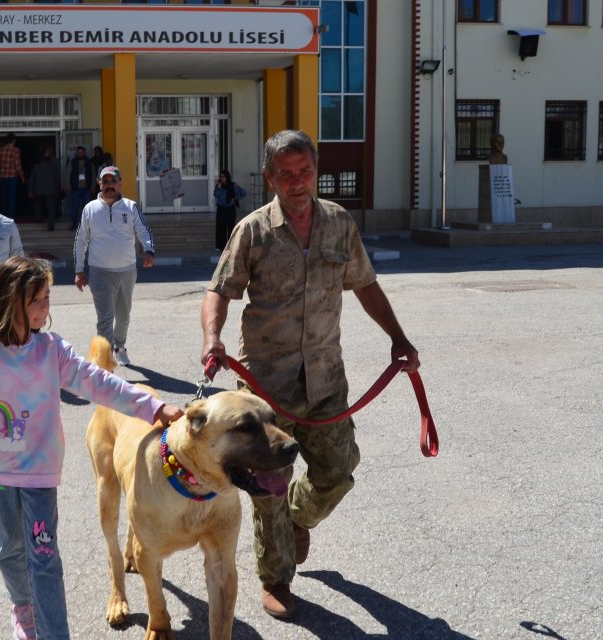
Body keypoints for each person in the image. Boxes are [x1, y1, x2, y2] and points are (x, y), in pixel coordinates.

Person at [199, 129, 420, 620]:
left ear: (315, 171)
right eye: (286, 175)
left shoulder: (339, 223)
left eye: (305, 172)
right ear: (269, 177)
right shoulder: (253, 231)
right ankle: (275, 578)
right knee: (268, 487)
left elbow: (365, 285)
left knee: (337, 473)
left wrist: (399, 338)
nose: (297, 182)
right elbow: (219, 289)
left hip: (324, 378)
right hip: (265, 385)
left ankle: (298, 518)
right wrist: (212, 338)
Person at [0, 255, 183, 640]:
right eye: (36, 300)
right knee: (11, 550)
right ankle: (23, 607)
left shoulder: (50, 349)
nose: (45, 307)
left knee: (43, 557)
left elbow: (98, 382)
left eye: (47, 298)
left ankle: (55, 633)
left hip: (39, 475)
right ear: (11, 300)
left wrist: (152, 406)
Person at [72, 166, 155, 367]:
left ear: (120, 184)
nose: (110, 185)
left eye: (113, 181)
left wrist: (149, 250)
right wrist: (79, 270)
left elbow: (143, 230)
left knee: (123, 316)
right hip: (99, 271)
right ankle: (104, 360)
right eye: (105, 181)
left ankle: (120, 347)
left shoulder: (130, 207)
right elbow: (81, 240)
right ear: (99, 184)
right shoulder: (90, 209)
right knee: (105, 318)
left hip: (127, 270)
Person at [212, 170, 247, 251]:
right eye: (220, 177)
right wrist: (219, 188)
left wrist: (235, 199)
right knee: (220, 227)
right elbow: (216, 195)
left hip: (230, 208)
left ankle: (231, 245)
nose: (221, 178)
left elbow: (243, 193)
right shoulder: (219, 186)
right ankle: (220, 246)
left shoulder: (233, 185)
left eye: (223, 177)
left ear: (227, 177)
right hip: (221, 208)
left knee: (231, 227)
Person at [29, 146, 62, 231]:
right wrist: (58, 189)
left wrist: (30, 190)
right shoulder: (54, 167)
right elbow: (57, 179)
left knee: (37, 205)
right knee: (51, 209)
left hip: (38, 190)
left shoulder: (36, 166)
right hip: (51, 190)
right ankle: (51, 225)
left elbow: (32, 180)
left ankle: (39, 218)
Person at [63, 146, 95, 231]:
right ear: (76, 153)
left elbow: (93, 175)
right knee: (74, 207)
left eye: (81, 152)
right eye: (78, 152)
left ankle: (87, 225)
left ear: (84, 153)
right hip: (75, 188)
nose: (80, 154)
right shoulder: (72, 162)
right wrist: (68, 185)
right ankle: (74, 223)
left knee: (87, 207)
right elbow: (68, 174)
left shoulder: (89, 162)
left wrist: (93, 186)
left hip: (87, 188)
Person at [0, 133, 24, 218]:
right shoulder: (15, 150)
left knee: (3, 197)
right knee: (11, 198)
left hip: (2, 177)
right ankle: (9, 216)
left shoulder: (1, 150)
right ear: (14, 140)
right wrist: (22, 177)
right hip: (12, 177)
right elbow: (18, 166)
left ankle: (3, 216)